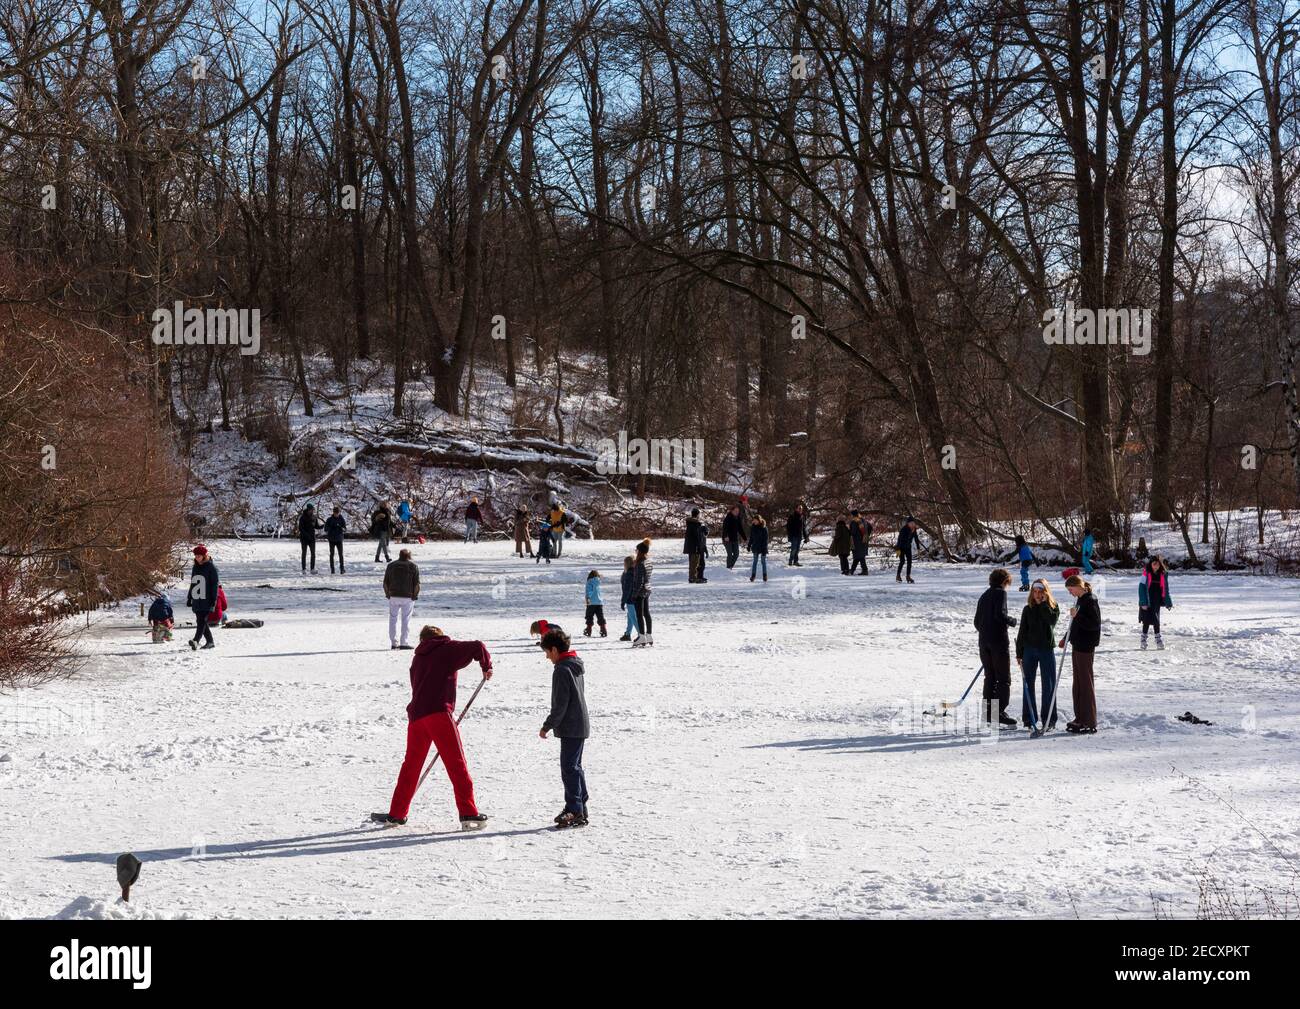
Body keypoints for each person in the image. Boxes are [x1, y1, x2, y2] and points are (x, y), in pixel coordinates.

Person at [376, 625, 492, 828]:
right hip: (438, 714)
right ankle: (468, 812)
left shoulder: (417, 658)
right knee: (456, 763)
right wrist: (486, 666)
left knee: (410, 766)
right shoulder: (445, 648)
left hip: (416, 718)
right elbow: (478, 646)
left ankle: (397, 813)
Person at [538, 625, 590, 829]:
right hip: (580, 724)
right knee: (574, 767)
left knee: (569, 768)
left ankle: (574, 809)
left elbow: (560, 704)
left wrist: (547, 726)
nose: (547, 657)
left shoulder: (561, 669)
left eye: (546, 652)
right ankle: (580, 806)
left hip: (571, 725)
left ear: (554, 649)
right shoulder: (574, 665)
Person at [974, 569, 1019, 727]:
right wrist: (1012, 621)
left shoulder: (984, 595)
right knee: (1003, 678)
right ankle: (997, 712)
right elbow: (1000, 615)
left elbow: (976, 621)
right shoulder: (1000, 593)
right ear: (1004, 581)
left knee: (990, 677)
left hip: (983, 642)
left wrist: (985, 632)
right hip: (998, 642)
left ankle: (989, 712)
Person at [1015, 578, 1060, 729]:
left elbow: (1051, 621)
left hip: (1046, 649)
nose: (1037, 594)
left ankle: (1049, 719)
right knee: (1028, 684)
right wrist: (1019, 653)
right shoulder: (1027, 609)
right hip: (1029, 650)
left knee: (1048, 684)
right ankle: (1029, 719)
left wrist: (1043, 605)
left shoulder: (1053, 607)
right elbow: (1022, 632)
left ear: (1046, 592)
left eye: (1040, 591)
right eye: (1035, 591)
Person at [1062, 574, 1101, 733]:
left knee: (1085, 682)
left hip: (1086, 646)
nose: (1070, 593)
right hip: (1077, 644)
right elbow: (1075, 624)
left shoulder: (1090, 600)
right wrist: (1066, 637)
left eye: (1071, 590)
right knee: (1077, 682)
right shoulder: (1080, 600)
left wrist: (1077, 616)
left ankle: (1089, 720)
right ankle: (1080, 717)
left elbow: (1094, 624)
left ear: (1078, 587)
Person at [383, 548, 420, 650]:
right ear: (409, 556)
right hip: (408, 596)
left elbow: (385, 582)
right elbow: (416, 584)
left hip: (393, 595)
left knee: (393, 619)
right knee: (406, 620)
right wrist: (415, 595)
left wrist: (387, 594)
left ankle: (394, 643)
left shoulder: (391, 565)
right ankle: (404, 642)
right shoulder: (413, 566)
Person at [186, 545, 219, 651]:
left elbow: (214, 584)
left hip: (207, 598)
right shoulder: (195, 567)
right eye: (196, 556)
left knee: (202, 620)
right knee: (201, 621)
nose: (197, 558)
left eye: (199, 556)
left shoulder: (211, 567)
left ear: (204, 556)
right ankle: (210, 642)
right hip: (197, 598)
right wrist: (189, 597)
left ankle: (196, 640)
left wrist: (214, 600)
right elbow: (193, 583)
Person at [1138, 554, 1173, 650]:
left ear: (1160, 565)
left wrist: (1168, 602)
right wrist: (1143, 602)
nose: (1156, 566)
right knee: (1146, 621)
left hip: (1156, 601)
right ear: (1151, 564)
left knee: (1156, 620)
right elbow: (1141, 587)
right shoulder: (1146, 573)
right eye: (1154, 564)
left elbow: (1166, 589)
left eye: (1158, 564)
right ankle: (1143, 640)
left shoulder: (1163, 574)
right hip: (1147, 601)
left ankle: (1158, 640)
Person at [630, 539, 653, 647]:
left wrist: (634, 594)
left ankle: (641, 636)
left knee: (639, 615)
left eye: (636, 550)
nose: (635, 551)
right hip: (647, 589)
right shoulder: (648, 561)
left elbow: (639, 581)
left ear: (640, 551)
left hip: (640, 591)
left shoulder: (640, 564)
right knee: (646, 613)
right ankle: (649, 634)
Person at [684, 507, 709, 583]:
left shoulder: (693, 524)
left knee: (695, 562)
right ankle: (693, 578)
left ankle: (696, 577)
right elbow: (697, 537)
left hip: (693, 546)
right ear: (698, 515)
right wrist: (699, 546)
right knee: (694, 563)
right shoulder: (694, 524)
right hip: (694, 546)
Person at [298, 503, 323, 573]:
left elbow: (316, 526)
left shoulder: (314, 517)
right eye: (311, 510)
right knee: (304, 553)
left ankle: (312, 569)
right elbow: (301, 528)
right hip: (304, 538)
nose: (312, 511)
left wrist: (321, 526)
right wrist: (306, 535)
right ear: (308, 509)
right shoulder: (302, 517)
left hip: (312, 538)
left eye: (313, 510)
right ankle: (304, 569)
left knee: (313, 554)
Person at [618, 555, 637, 641]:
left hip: (631, 599)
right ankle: (627, 634)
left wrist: (623, 601)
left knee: (633, 617)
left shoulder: (629, 574)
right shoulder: (634, 572)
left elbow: (627, 589)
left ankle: (641, 634)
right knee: (630, 617)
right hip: (635, 598)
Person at [895, 516, 920, 583]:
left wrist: (918, 548)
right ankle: (898, 576)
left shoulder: (914, 529)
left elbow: (916, 538)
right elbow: (900, 540)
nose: (912, 524)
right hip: (901, 547)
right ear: (908, 524)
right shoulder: (904, 529)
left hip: (908, 547)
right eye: (911, 523)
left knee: (909, 562)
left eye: (913, 523)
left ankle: (908, 576)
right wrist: (898, 550)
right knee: (902, 561)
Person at [584, 570, 607, 637]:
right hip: (599, 602)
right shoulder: (598, 582)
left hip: (591, 603)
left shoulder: (589, 582)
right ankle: (603, 629)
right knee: (600, 616)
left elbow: (589, 591)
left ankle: (589, 629)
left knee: (589, 616)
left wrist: (588, 598)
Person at [849, 510, 873, 575]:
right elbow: (870, 527)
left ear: (853, 515)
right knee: (859, 556)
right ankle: (852, 570)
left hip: (857, 541)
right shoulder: (863, 520)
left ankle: (864, 570)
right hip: (864, 540)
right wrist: (866, 535)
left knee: (859, 556)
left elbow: (853, 532)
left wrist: (849, 533)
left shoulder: (855, 522)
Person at [324, 506, 347, 574]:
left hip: (339, 539)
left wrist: (342, 528)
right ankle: (332, 569)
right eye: (335, 513)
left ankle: (342, 569)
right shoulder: (329, 519)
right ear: (333, 512)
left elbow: (345, 528)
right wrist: (331, 528)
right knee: (332, 554)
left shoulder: (341, 519)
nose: (336, 514)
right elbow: (325, 529)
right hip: (331, 539)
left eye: (338, 513)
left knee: (341, 555)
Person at [721, 505, 744, 569]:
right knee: (730, 554)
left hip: (734, 539)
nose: (737, 512)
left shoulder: (738, 518)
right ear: (732, 511)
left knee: (736, 554)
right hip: (727, 539)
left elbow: (740, 529)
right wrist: (725, 536)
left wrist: (744, 538)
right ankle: (728, 568)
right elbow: (724, 528)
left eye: (738, 511)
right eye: (735, 511)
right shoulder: (728, 518)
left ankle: (730, 566)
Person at [748, 513, 769, 582]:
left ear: (759, 520)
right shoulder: (753, 527)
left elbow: (765, 540)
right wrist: (749, 545)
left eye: (755, 520)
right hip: (755, 547)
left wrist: (764, 549)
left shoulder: (764, 528)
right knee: (755, 561)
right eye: (753, 520)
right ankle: (753, 576)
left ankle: (765, 575)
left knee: (763, 561)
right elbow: (751, 538)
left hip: (762, 547)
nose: (754, 521)